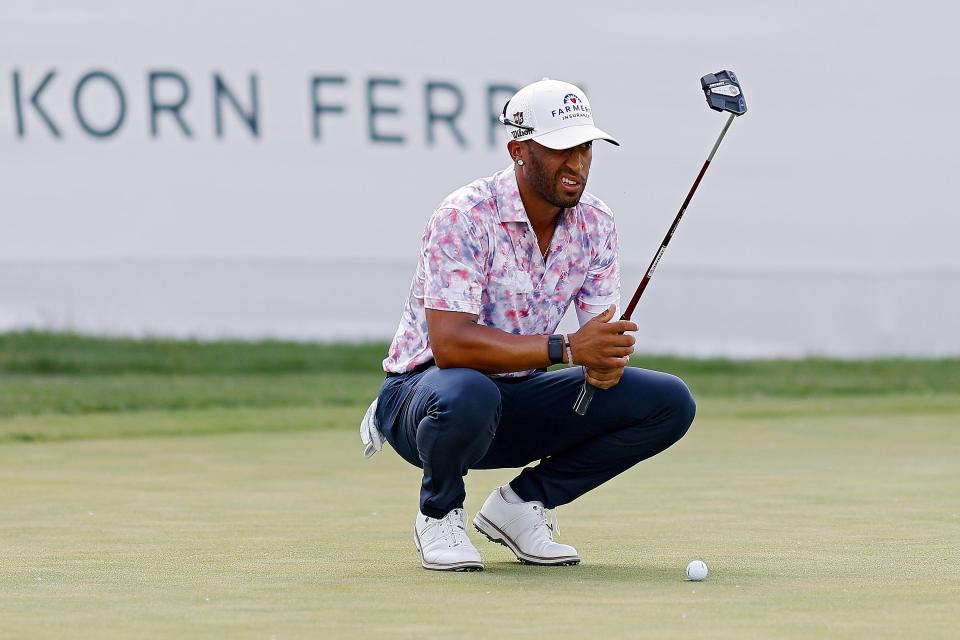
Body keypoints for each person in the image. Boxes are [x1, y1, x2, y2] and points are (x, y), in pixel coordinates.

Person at [360, 78, 696, 572]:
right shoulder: (466, 215)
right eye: (562, 148)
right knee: (470, 393)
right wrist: (569, 350)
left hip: (519, 397)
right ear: (519, 149)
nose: (577, 163)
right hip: (427, 398)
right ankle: (439, 513)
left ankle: (519, 507)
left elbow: (595, 335)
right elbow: (451, 346)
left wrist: (605, 360)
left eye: (585, 148)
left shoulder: (596, 223)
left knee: (668, 402)